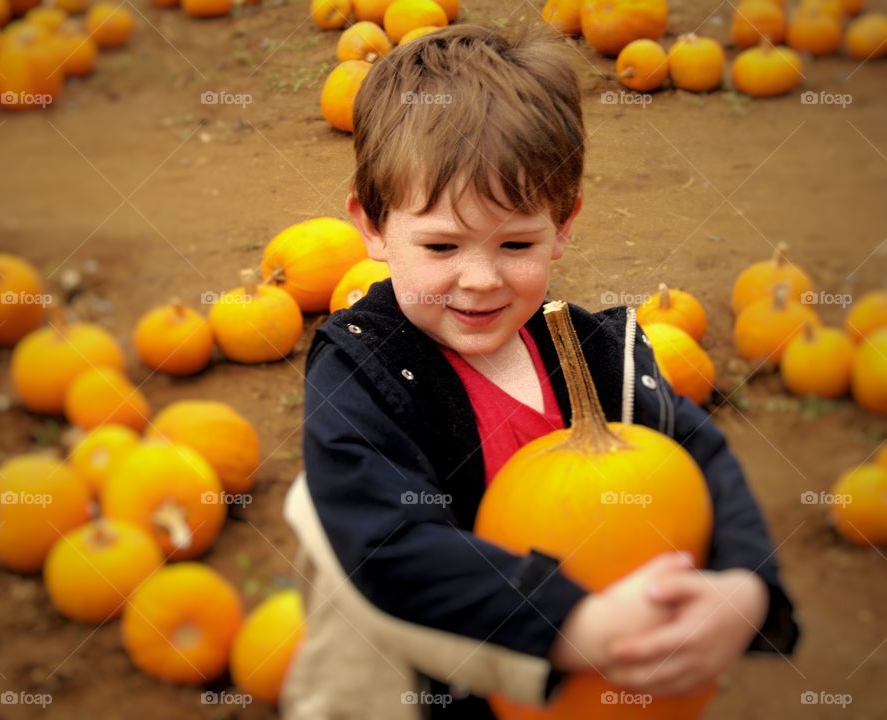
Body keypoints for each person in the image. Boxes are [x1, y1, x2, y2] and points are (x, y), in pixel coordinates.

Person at [281, 22, 798, 720]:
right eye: (441, 245)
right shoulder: (364, 371)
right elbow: (387, 544)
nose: (480, 279)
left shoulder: (598, 356)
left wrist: (745, 587)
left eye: (516, 241)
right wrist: (574, 627)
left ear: (564, 224)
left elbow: (700, 451)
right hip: (443, 689)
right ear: (371, 226)